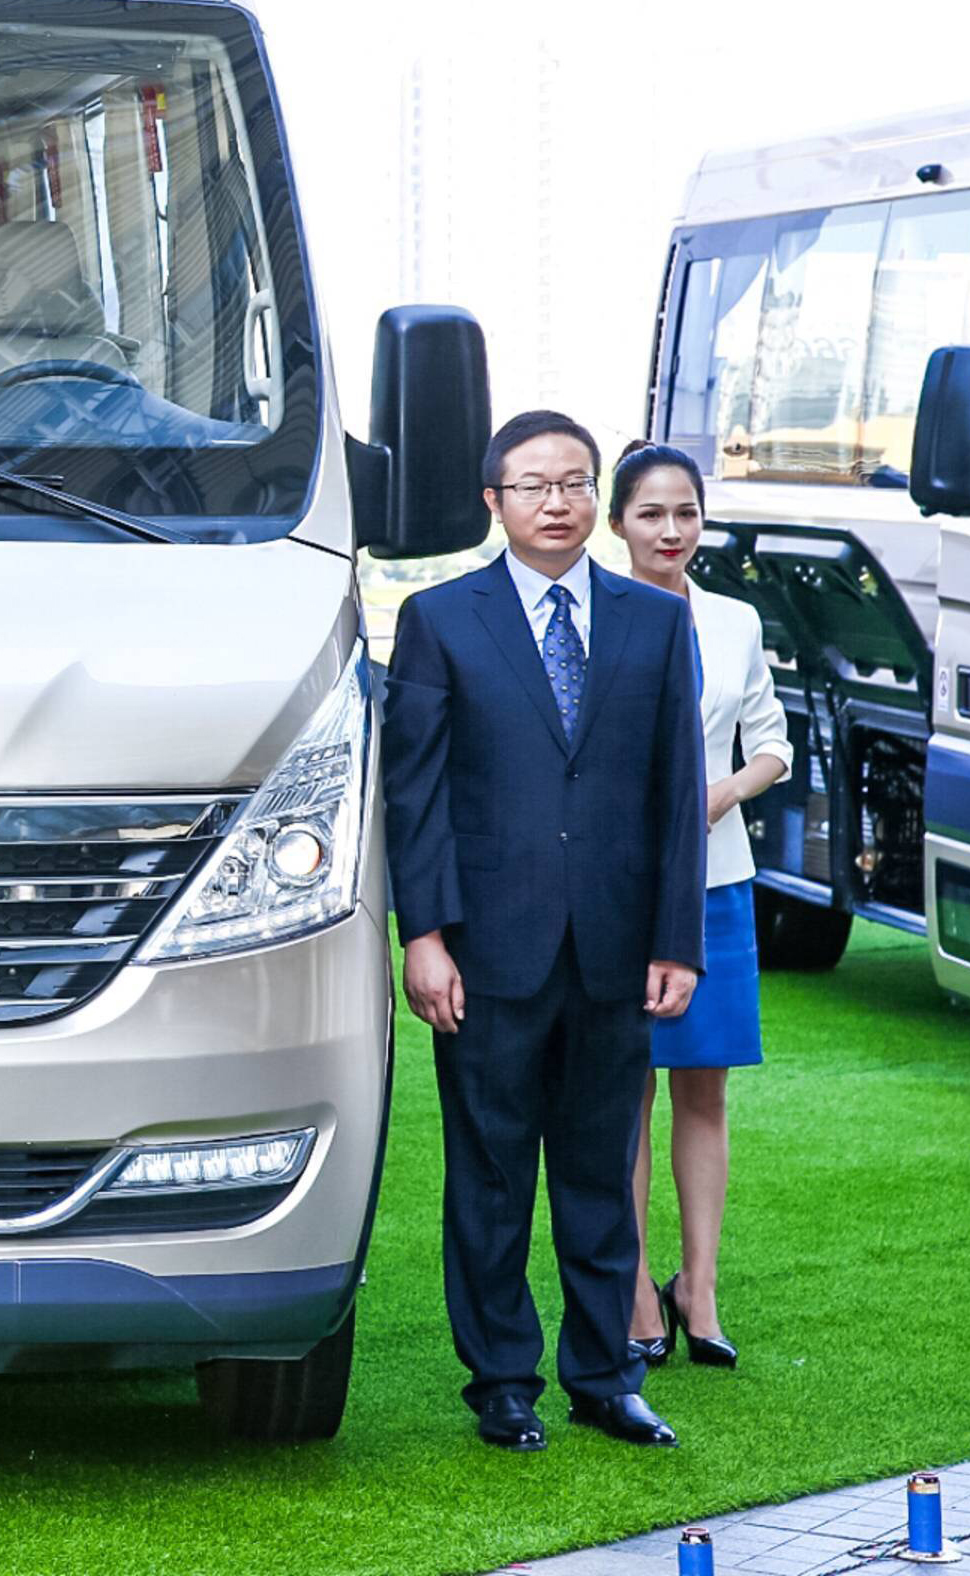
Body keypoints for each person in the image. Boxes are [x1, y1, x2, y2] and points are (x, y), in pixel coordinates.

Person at [383, 409, 707, 1452]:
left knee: (599, 1172)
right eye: (532, 486)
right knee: (489, 1177)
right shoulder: (440, 619)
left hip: (616, 948)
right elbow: (415, 793)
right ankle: (501, 1383)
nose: (556, 503)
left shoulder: (654, 622)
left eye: (574, 484)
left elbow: (676, 792)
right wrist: (423, 934)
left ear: (593, 499)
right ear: (494, 502)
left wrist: (676, 939)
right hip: (485, 950)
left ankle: (606, 1377)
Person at [607, 440, 789, 1371]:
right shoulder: (593, 615)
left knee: (704, 1087)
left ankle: (700, 1288)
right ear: (618, 524)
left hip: (715, 880)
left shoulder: (734, 622)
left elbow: (773, 744)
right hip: (617, 886)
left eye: (686, 513)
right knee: (626, 1090)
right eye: (651, 514)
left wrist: (723, 792)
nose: (671, 530)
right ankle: (637, 1288)